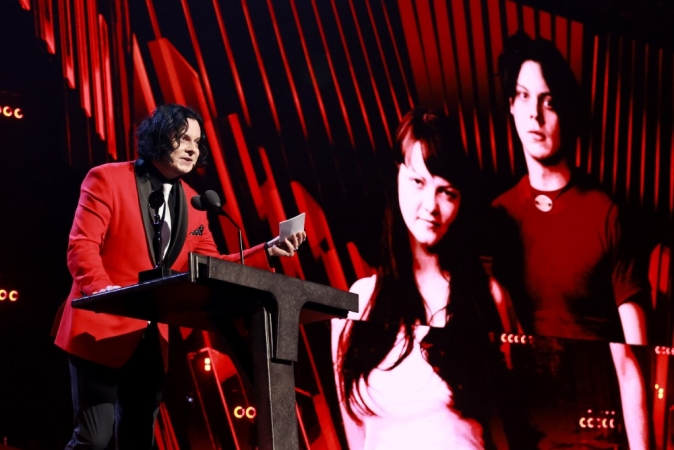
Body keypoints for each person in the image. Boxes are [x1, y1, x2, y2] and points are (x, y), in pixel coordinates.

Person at [52, 103, 306, 449]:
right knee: (94, 440)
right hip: (99, 327)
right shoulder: (106, 178)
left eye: (197, 142)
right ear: (158, 136)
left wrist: (269, 250)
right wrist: (105, 293)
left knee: (138, 440)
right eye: (183, 138)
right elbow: (82, 247)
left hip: (150, 338)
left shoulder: (194, 202)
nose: (192, 149)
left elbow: (213, 265)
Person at [331, 108, 535, 449]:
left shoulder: (487, 298)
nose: (431, 206)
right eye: (418, 182)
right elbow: (356, 436)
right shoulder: (358, 302)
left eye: (447, 192)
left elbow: (506, 424)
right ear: (397, 175)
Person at [490, 32, 651, 449]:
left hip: (596, 433)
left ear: (567, 111)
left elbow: (633, 360)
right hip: (525, 432)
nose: (535, 114)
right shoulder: (496, 218)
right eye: (524, 97)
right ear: (511, 106)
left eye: (549, 101)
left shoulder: (607, 213)